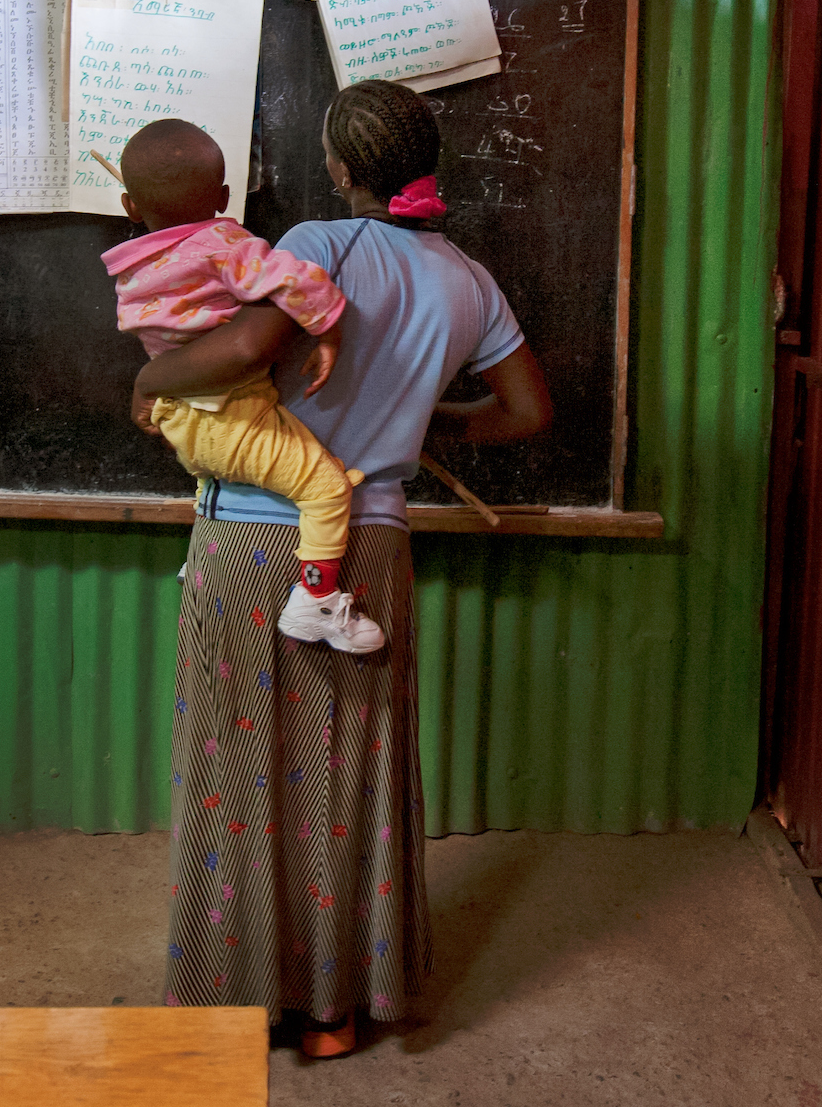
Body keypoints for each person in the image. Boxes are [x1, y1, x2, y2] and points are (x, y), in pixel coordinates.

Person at [132, 79, 552, 1057]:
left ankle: (233, 1003)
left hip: (252, 535)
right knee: (349, 777)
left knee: (236, 774)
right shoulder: (469, 283)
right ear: (423, 163)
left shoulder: (318, 247)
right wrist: (433, 416)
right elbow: (527, 411)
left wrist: (152, 377)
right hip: (371, 542)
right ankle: (335, 1011)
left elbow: (251, 344)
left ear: (341, 167)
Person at [105, 120, 383, 652]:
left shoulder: (133, 267)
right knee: (326, 489)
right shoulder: (222, 242)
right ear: (226, 197)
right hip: (228, 412)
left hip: (179, 420)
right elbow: (294, 279)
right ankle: (317, 603)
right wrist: (328, 329)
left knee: (222, 472)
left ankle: (202, 564)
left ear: (130, 208)